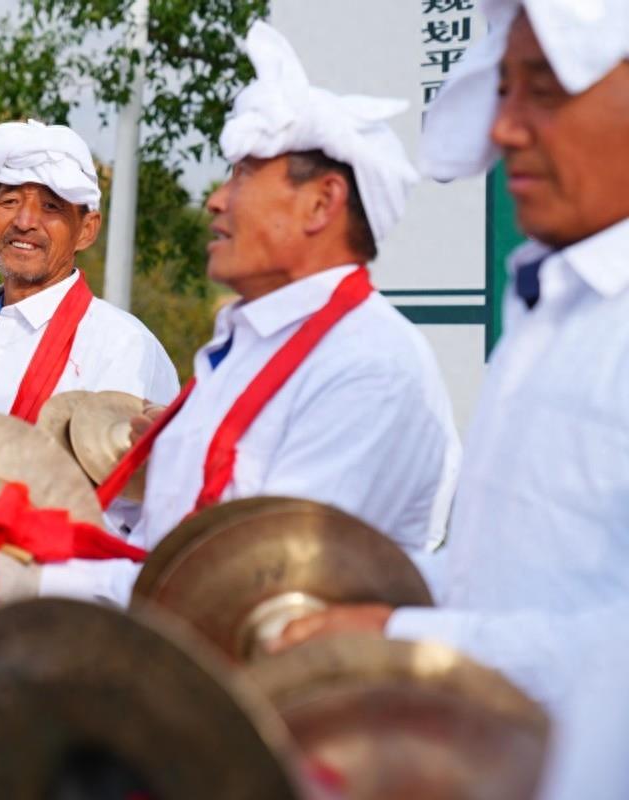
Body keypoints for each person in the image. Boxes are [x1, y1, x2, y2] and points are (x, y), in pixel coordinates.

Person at [272, 2, 629, 791]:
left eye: (546, 89)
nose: (505, 129)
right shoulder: (550, 307)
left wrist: (405, 635)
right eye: (503, 89)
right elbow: (508, 576)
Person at [36, 22, 461, 605]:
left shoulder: (368, 365)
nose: (215, 199)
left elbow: (256, 580)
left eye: (244, 174)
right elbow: (182, 533)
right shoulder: (246, 344)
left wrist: (29, 580)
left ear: (321, 203)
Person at [0, 119, 180, 534]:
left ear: (86, 230)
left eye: (51, 207)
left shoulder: (121, 346)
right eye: (9, 202)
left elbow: (141, 511)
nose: (25, 221)